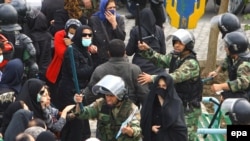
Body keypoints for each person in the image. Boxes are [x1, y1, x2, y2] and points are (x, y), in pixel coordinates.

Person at [137, 29, 203, 141]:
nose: (176, 45)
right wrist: (147, 50)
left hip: (189, 108)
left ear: (188, 45)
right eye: (175, 42)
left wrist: (153, 78)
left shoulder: (191, 63)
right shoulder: (176, 57)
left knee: (186, 136)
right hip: (176, 104)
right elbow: (161, 60)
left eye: (180, 43)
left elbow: (176, 77)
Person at [56, 25, 96, 141]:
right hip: (70, 93)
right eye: (84, 35)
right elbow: (76, 72)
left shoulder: (85, 51)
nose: (87, 37)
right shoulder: (71, 51)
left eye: (89, 35)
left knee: (82, 125)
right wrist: (92, 70)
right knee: (75, 126)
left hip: (80, 92)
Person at [83, 39, 149, 107]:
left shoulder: (99, 70)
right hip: (129, 110)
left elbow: (89, 95)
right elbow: (143, 94)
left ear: (108, 53)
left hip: (106, 111)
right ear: (124, 53)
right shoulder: (134, 69)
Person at [75, 74, 142, 141]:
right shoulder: (101, 104)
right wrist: (79, 103)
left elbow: (137, 129)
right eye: (107, 95)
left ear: (120, 96)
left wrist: (130, 131)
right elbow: (83, 113)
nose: (108, 99)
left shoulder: (131, 108)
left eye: (111, 96)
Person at [141, 73, 187, 141]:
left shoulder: (176, 102)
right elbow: (144, 120)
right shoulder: (150, 100)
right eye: (158, 86)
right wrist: (150, 127)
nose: (161, 89)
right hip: (153, 137)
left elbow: (180, 128)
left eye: (164, 86)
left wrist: (164, 104)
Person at [0, 4, 38, 80]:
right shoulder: (24, 39)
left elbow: (32, 68)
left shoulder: (23, 40)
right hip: (17, 83)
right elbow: (33, 68)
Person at [208, 31, 250, 100]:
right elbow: (227, 61)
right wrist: (216, 71)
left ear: (234, 48)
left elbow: (243, 83)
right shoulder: (234, 56)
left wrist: (221, 86)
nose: (225, 48)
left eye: (226, 46)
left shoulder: (244, 64)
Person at [126, 8, 166, 78]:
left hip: (140, 68)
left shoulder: (136, 30)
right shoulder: (159, 30)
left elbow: (129, 52)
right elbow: (163, 52)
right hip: (158, 67)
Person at [89, 0, 126, 66]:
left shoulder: (119, 19)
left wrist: (114, 24)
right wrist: (91, 45)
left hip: (114, 58)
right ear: (104, 8)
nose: (112, 10)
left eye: (114, 7)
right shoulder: (94, 19)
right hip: (99, 57)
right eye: (110, 8)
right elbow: (89, 36)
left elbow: (121, 38)